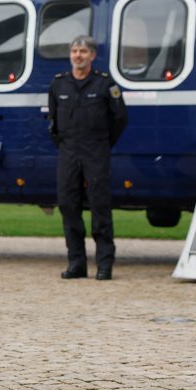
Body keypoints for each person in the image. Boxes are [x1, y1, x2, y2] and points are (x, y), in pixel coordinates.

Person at [48, 34, 128, 281]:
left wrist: (102, 144)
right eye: (74, 52)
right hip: (69, 152)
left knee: (100, 207)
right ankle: (77, 263)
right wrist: (65, 143)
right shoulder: (58, 84)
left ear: (92, 56)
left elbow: (119, 119)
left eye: (83, 52)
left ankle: (104, 265)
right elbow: (53, 121)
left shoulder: (105, 84)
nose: (78, 56)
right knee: (68, 206)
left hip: (96, 152)